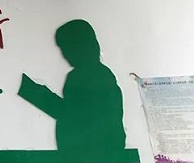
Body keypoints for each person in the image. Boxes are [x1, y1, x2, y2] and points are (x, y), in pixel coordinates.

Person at [18, 19, 125, 151]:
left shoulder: (90, 75)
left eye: (66, 48)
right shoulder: (96, 73)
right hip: (90, 153)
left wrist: (30, 90)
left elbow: (71, 114)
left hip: (90, 153)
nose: (64, 54)